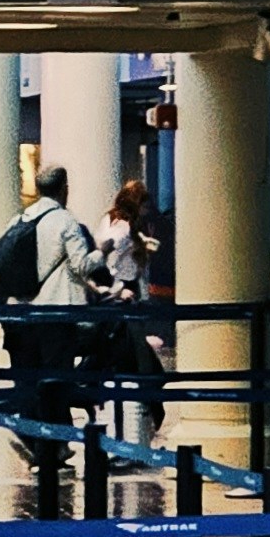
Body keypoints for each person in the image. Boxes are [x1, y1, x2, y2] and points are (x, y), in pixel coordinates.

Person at [0, 165, 100, 424]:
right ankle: (56, 444)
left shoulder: (18, 219)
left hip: (20, 315)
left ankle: (32, 437)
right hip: (56, 315)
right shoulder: (65, 221)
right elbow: (81, 265)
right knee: (56, 383)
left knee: (28, 382)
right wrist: (102, 252)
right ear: (64, 188)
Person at [98, 178, 168, 430]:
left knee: (130, 362)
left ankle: (142, 417)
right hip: (123, 298)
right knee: (140, 363)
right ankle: (148, 414)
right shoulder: (124, 229)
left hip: (115, 296)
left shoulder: (110, 220)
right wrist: (118, 290)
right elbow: (110, 258)